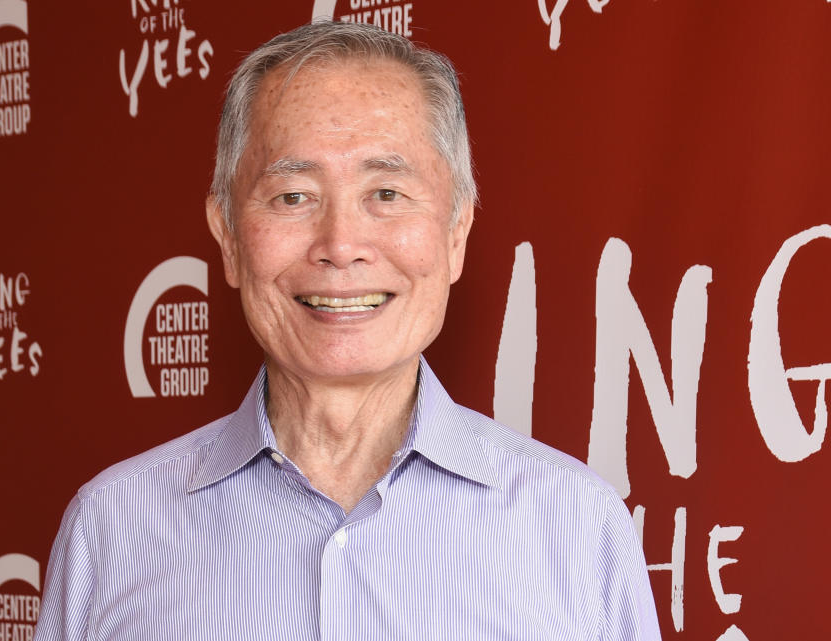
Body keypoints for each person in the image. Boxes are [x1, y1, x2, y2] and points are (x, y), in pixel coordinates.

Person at [34, 21, 661, 641]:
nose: (339, 245)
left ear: (455, 234)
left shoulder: (580, 528)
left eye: (386, 192)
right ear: (227, 236)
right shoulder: (111, 526)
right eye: (292, 197)